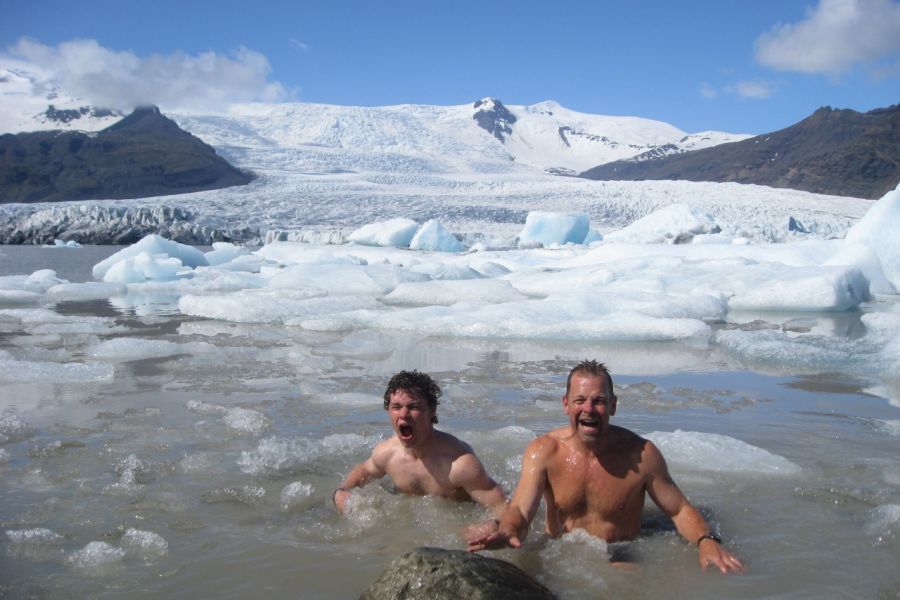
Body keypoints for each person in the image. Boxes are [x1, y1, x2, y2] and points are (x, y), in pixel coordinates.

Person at [467, 360, 745, 574]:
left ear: (613, 406)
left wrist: (707, 541)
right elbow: (520, 510)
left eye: (599, 401)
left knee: (624, 584)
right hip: (558, 547)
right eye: (580, 400)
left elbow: (679, 508)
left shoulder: (641, 454)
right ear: (566, 405)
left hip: (621, 552)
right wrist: (509, 530)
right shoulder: (544, 451)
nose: (589, 408)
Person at [333, 370, 506, 521]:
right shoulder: (387, 454)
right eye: (396, 407)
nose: (403, 414)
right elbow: (364, 471)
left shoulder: (460, 464)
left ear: (432, 411)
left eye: (413, 407)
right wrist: (341, 493)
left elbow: (503, 508)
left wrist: (491, 525)